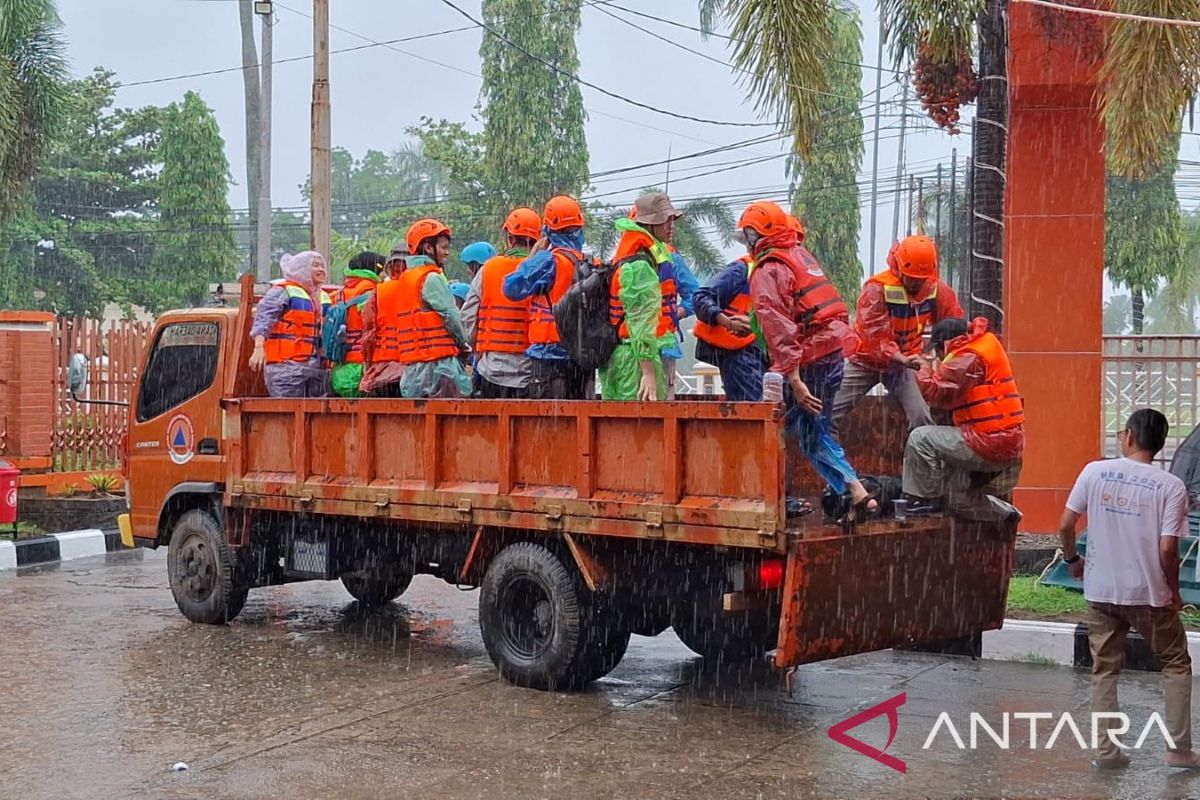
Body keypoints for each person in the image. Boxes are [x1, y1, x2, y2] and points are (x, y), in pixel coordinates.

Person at [1059, 409, 1200, 771]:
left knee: (1105, 670)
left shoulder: (1094, 471)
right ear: (1159, 443)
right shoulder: (1170, 486)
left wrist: (1073, 559)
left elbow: (1066, 524)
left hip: (1101, 591)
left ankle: (1108, 752)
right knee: (1175, 663)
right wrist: (1174, 591)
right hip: (1148, 594)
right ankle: (1179, 749)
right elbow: (1168, 549)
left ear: (1130, 438)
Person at [740, 200, 876, 521]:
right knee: (814, 434)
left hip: (809, 363)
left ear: (755, 235)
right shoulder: (799, 255)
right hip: (831, 357)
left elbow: (778, 329)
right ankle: (855, 492)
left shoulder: (768, 270)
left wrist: (796, 382)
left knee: (771, 429)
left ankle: (767, 498)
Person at [831, 235, 964, 437]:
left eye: (921, 279)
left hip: (904, 366)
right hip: (866, 361)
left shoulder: (936, 289)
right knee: (829, 412)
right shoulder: (876, 289)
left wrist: (945, 358)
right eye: (912, 278)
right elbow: (874, 335)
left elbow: (953, 326)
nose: (916, 285)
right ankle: (830, 464)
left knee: (921, 418)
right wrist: (898, 356)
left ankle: (917, 465)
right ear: (900, 268)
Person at [902, 316, 1023, 514]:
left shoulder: (967, 359)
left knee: (920, 438)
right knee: (957, 499)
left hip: (989, 442)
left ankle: (926, 500)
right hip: (1004, 442)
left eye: (937, 351)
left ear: (944, 345)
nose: (938, 357)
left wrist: (924, 367)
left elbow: (937, 392)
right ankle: (1006, 515)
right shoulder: (981, 346)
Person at [364, 219, 471, 398]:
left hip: (413, 372)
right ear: (429, 248)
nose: (447, 252)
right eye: (443, 248)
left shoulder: (405, 280)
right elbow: (451, 316)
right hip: (440, 367)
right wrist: (464, 344)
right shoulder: (431, 278)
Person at [503, 195, 594, 399]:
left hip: (549, 357)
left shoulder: (547, 261)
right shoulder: (592, 263)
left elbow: (511, 288)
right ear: (580, 228)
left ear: (547, 230)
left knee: (549, 426)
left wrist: (532, 257)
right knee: (582, 423)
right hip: (583, 359)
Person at [601, 191, 684, 401]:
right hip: (634, 361)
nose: (670, 225)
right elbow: (640, 324)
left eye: (671, 219)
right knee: (639, 430)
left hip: (631, 357)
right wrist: (647, 372)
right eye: (665, 220)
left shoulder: (644, 256)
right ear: (649, 224)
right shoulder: (639, 265)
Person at [461, 207, 539, 399]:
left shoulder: (489, 269)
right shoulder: (543, 270)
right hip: (532, 374)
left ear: (510, 238)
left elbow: (467, 318)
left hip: (492, 372)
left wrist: (478, 347)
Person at [629, 200, 697, 399]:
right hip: (631, 348)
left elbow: (695, 295)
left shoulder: (670, 259)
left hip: (661, 346)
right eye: (667, 221)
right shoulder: (626, 260)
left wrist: (674, 313)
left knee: (658, 407)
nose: (671, 227)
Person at [248, 251, 331, 398]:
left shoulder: (323, 296)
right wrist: (259, 347)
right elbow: (264, 317)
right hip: (285, 369)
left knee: (316, 419)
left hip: (315, 370)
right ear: (302, 268)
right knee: (290, 416)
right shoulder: (283, 291)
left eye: (322, 266)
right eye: (315, 265)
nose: (321, 269)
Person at [692, 251, 764, 401]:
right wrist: (728, 322)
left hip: (757, 350)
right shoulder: (741, 270)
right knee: (754, 404)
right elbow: (701, 298)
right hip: (734, 352)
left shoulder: (777, 273)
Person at [329, 251, 384, 398]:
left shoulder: (338, 294)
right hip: (362, 369)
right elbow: (370, 328)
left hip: (339, 368)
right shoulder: (370, 291)